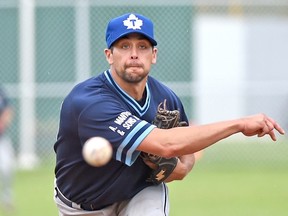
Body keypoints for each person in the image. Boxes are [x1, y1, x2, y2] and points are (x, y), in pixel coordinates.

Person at [53, 13, 285, 216]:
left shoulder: (165, 98)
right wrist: (240, 124)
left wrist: (184, 167)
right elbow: (167, 145)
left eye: (142, 47)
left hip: (139, 192)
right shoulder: (89, 101)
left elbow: (186, 152)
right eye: (124, 46)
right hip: (83, 205)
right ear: (108, 55)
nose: (134, 54)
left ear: (153, 54)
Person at [0, 87, 15, 213]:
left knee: (6, 167)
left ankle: (7, 197)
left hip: (1, 138)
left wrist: (4, 121)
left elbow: (8, 110)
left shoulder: (1, 91)